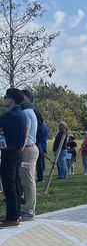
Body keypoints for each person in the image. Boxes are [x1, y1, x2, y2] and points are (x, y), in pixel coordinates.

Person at [0, 88, 28, 226]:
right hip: (18, 152)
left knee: (9, 185)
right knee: (16, 184)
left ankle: (12, 218)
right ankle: (17, 215)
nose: (4, 99)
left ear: (12, 99)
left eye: (6, 97)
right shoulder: (22, 114)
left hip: (9, 153)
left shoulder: (10, 115)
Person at [18, 89, 39, 221]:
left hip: (28, 149)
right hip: (30, 149)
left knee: (28, 181)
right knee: (26, 179)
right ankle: (28, 209)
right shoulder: (30, 111)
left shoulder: (26, 113)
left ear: (26, 98)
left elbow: (24, 134)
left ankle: (30, 211)